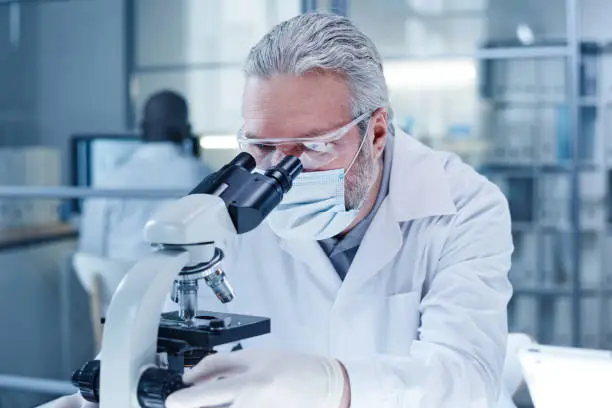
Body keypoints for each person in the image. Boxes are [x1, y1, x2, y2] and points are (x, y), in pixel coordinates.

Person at [46, 12, 513, 408]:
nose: (280, 172)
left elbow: (467, 380)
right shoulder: (231, 208)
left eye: (311, 147)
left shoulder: (463, 206)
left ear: (376, 133)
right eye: (263, 146)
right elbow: (150, 354)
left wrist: (332, 384)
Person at [78, 90, 212, 261]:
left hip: (119, 283)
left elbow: (89, 252)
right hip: (183, 284)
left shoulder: (110, 180)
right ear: (187, 130)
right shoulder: (204, 177)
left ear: (142, 128)